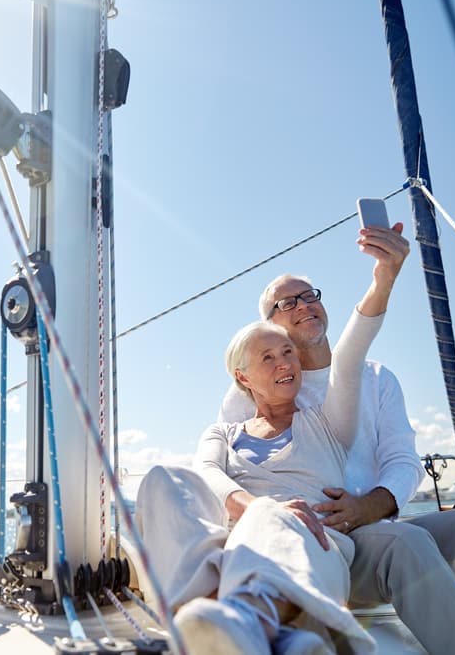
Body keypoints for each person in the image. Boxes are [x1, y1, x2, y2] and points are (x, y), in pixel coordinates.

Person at [218, 223, 455, 654]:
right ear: (269, 325)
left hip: (383, 529)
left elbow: (402, 460)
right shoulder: (251, 394)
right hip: (326, 545)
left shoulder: (375, 378)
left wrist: (370, 505)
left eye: (311, 295)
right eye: (287, 302)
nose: (304, 305)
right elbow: (227, 468)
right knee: (405, 542)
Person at [137, 225, 401, 655]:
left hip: (316, 546)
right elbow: (205, 471)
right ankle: (228, 625)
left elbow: (351, 353)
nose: (284, 363)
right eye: (268, 357)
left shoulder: (329, 420)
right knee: (163, 479)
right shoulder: (222, 432)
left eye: (288, 353)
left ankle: (245, 621)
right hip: (248, 541)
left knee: (270, 519)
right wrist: (258, 506)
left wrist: (383, 279)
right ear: (243, 376)